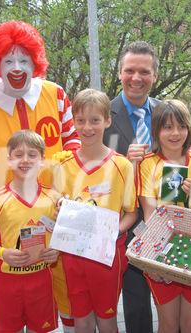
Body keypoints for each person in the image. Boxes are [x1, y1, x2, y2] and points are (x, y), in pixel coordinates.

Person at [0, 20, 80, 331]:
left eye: (24, 59)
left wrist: (76, 197)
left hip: (57, 214)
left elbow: (74, 146)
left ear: (35, 61)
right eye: (8, 60)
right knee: (11, 303)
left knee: (64, 296)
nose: (17, 67)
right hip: (6, 221)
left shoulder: (57, 94)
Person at [53, 88, 137, 333]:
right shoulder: (63, 165)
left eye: (94, 120)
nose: (87, 127)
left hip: (107, 255)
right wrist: (60, 209)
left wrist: (112, 231)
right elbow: (57, 207)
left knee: (107, 319)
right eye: (80, 120)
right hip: (73, 255)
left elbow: (131, 213)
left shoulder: (121, 165)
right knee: (82, 319)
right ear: (73, 121)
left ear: (107, 121)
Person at [137, 100, 191, 332]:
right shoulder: (147, 164)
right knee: (168, 325)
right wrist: (155, 259)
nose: (175, 133)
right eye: (167, 127)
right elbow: (149, 212)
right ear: (157, 130)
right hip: (162, 249)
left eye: (181, 126)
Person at [0, 130, 60, 332]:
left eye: (32, 155)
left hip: (41, 279)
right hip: (7, 281)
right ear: (9, 160)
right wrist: (2, 253)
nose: (25, 160)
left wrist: (57, 251)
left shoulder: (55, 198)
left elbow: (63, 235)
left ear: (42, 160)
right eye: (18, 155)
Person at [103, 40, 159, 333]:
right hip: (123, 218)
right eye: (130, 71)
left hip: (163, 216)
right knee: (135, 300)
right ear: (120, 72)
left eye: (144, 72)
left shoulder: (167, 114)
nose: (136, 78)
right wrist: (124, 162)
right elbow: (90, 168)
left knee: (172, 296)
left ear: (155, 76)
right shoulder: (102, 115)